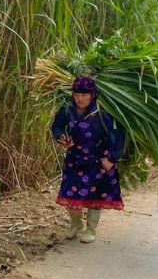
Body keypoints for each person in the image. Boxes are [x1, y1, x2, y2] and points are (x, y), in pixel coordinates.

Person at [51, 76, 125, 243]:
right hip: (74, 159)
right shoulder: (67, 109)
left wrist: (111, 159)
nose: (80, 98)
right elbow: (56, 126)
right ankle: (75, 225)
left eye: (84, 95)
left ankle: (91, 229)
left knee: (96, 195)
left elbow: (119, 136)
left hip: (99, 161)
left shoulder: (102, 112)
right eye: (77, 94)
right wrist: (61, 137)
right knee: (70, 192)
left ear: (92, 95)